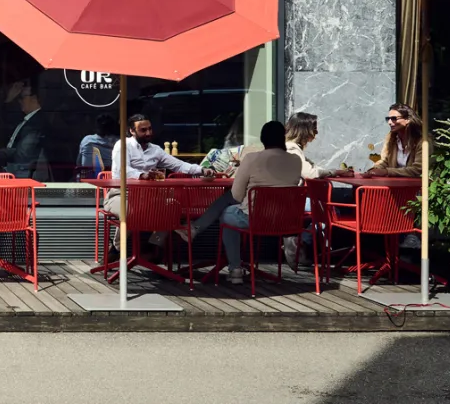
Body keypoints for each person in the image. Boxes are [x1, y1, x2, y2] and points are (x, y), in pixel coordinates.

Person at [215, 121, 306, 284]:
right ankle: (240, 266)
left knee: (226, 214)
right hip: (286, 222)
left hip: (255, 220)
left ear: (263, 139)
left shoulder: (251, 158)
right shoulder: (295, 160)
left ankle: (235, 268)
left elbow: (236, 195)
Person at [100, 112, 206, 220]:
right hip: (121, 194)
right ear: (132, 131)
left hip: (148, 196)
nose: (148, 133)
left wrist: (202, 170)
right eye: (143, 130)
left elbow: (179, 165)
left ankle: (155, 238)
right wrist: (142, 175)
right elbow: (122, 170)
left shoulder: (155, 150)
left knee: (172, 208)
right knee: (131, 212)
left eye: (150, 129)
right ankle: (121, 237)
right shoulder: (123, 144)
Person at [0, 82, 50, 180]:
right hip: (15, 169)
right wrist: (9, 98)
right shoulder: (25, 118)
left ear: (34, 98)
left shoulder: (36, 123)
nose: (19, 101)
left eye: (22, 97)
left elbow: (22, 154)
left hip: (23, 173)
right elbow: (4, 118)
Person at [364, 103, 424, 178]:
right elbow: (384, 161)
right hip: (394, 184)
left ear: (407, 119)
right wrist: (373, 171)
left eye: (394, 118)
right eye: (388, 119)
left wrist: (387, 171)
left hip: (416, 186)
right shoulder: (391, 138)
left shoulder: (423, 141)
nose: (389, 122)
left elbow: (419, 169)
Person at [76, 114, 117, 180]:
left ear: (96, 127)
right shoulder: (119, 142)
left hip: (87, 180)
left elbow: (79, 163)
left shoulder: (87, 140)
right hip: (111, 180)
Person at [284, 111, 324, 180]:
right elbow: (310, 173)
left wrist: (334, 172)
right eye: (314, 129)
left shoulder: (288, 147)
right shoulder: (291, 149)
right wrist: (335, 172)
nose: (316, 132)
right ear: (304, 131)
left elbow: (312, 167)